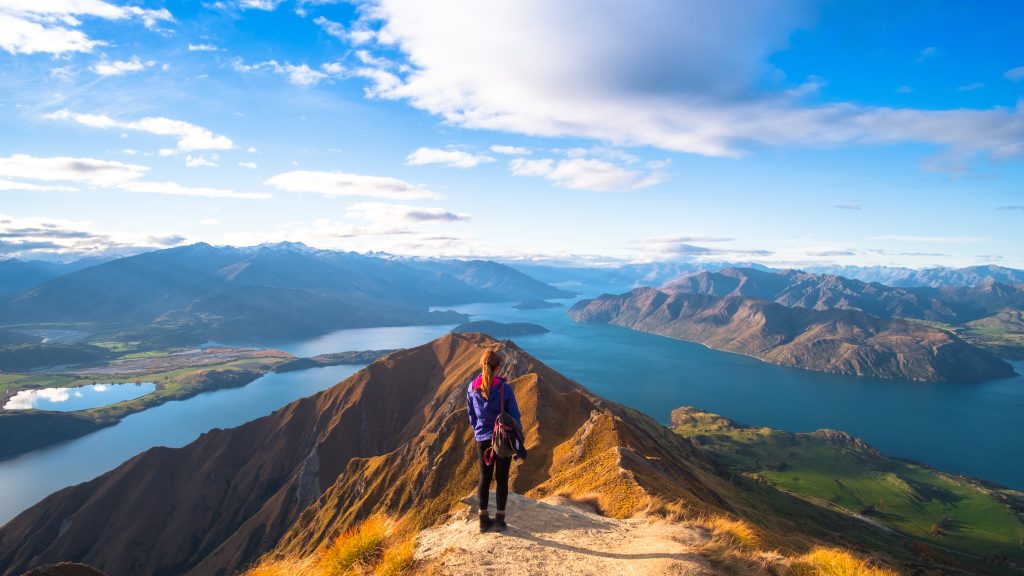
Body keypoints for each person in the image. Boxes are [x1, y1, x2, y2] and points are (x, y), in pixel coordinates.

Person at [466, 349, 525, 533]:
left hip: (483, 439)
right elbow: (514, 416)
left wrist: (479, 431)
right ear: (498, 367)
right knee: (501, 479)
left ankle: (483, 520)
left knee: (484, 478)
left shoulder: (472, 387)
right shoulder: (504, 389)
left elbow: (472, 416)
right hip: (502, 440)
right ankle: (500, 520)